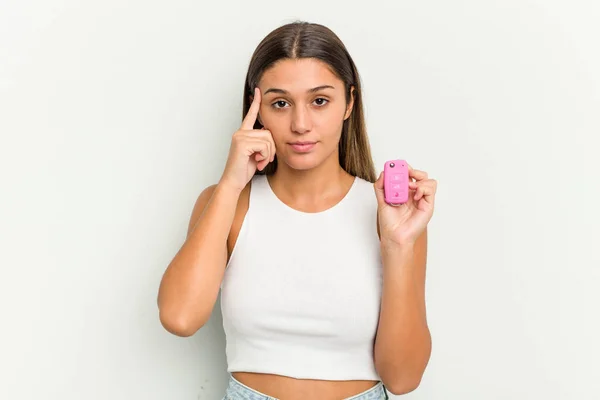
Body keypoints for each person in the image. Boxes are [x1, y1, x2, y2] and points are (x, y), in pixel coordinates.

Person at [157, 21, 437, 400]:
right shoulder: (227, 202)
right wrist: (229, 183)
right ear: (256, 111)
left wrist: (399, 245)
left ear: (349, 103)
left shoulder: (391, 216)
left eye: (319, 100)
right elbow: (180, 318)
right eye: (280, 103)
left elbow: (402, 379)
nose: (300, 124)